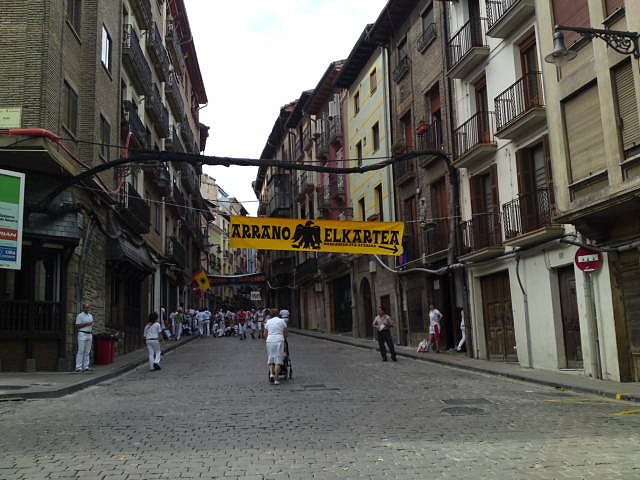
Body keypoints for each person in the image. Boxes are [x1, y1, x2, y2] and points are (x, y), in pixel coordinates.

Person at [264, 309, 288, 385]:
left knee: (271, 357)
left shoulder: (268, 322)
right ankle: (276, 379)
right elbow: (286, 333)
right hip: (279, 340)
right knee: (278, 359)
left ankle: (271, 374)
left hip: (270, 340)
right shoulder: (282, 321)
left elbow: (265, 334)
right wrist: (283, 338)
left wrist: (269, 337)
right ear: (278, 314)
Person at [75, 303, 94, 372]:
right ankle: (78, 367)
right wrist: (86, 324)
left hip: (89, 334)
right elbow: (77, 326)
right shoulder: (80, 316)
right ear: (83, 308)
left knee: (87, 351)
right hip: (82, 333)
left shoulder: (90, 316)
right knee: (81, 350)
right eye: (86, 308)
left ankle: (86, 366)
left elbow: (91, 325)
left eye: (88, 308)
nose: (87, 309)